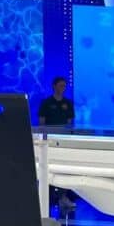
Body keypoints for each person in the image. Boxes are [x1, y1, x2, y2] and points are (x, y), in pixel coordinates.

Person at [38, 77, 76, 214]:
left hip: (64, 140)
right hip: (49, 141)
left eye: (64, 86)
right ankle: (45, 198)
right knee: (47, 168)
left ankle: (63, 197)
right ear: (54, 86)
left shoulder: (68, 103)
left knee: (64, 168)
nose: (62, 88)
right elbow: (41, 122)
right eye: (60, 85)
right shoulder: (46, 103)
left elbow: (70, 123)